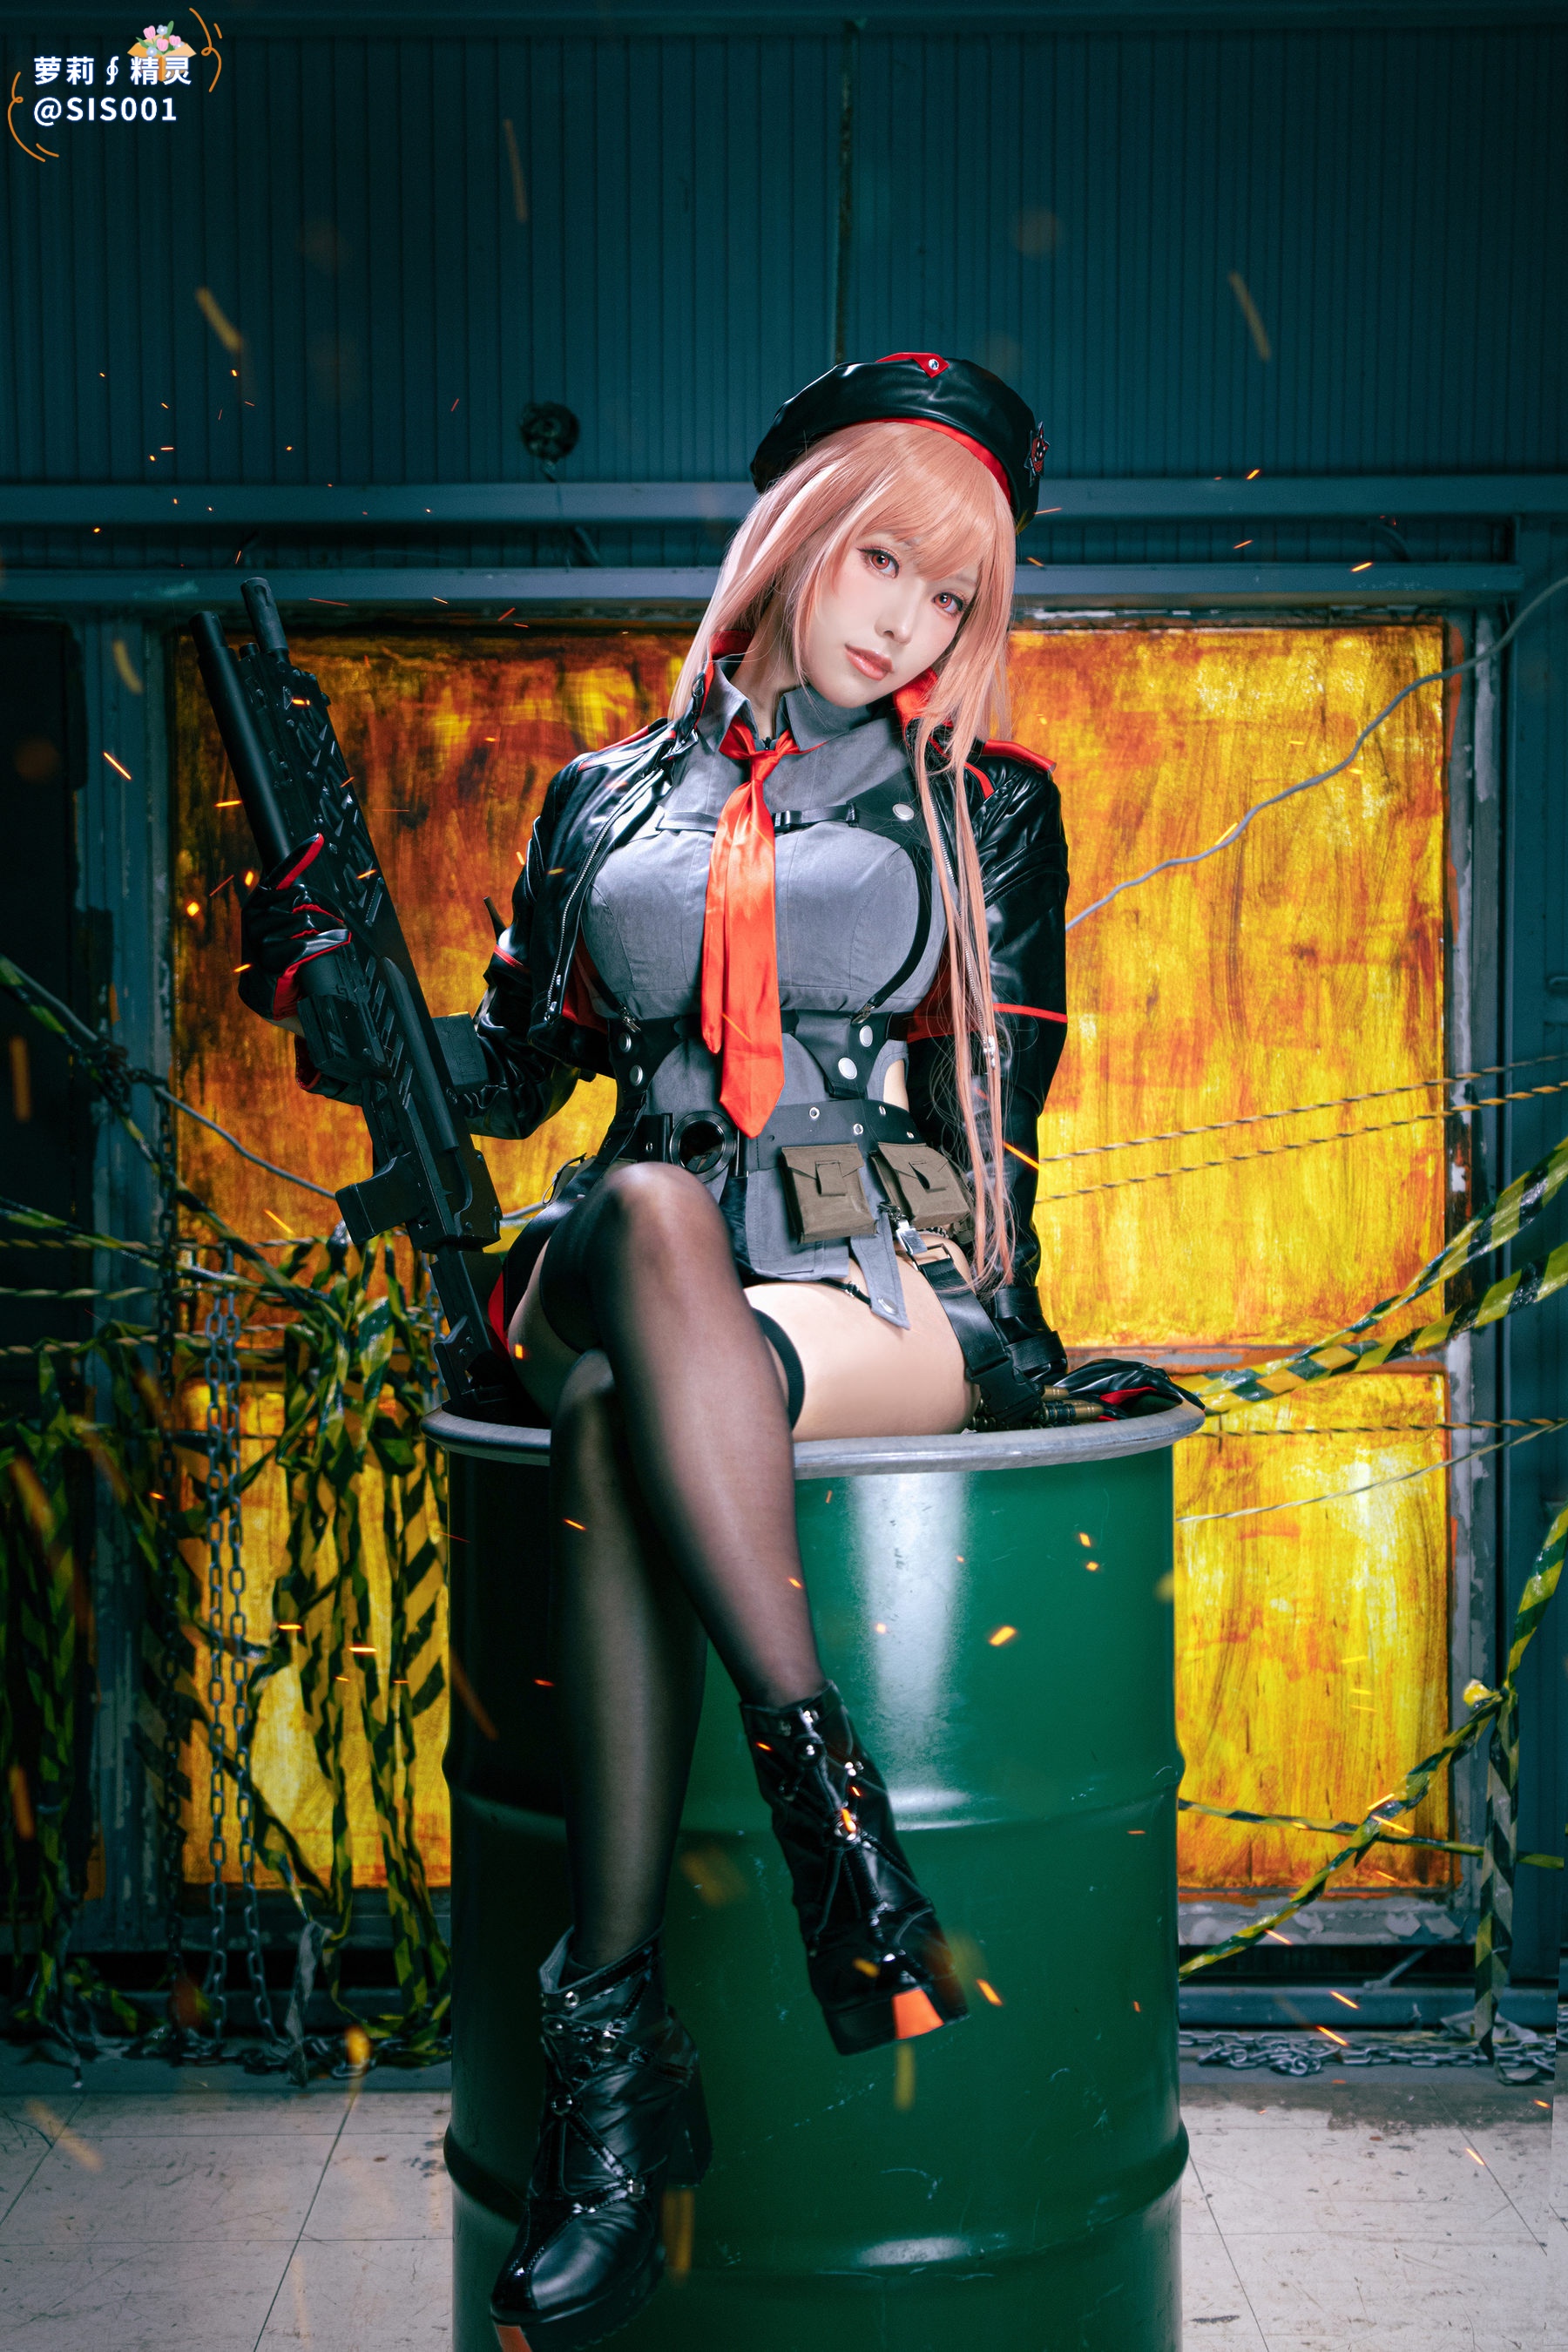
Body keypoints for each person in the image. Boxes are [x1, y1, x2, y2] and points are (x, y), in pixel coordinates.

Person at [239, 353, 1069, 2352]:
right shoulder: (599, 800)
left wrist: (990, 1315)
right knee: (644, 1219)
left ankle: (612, 2074)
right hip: (624, 1260)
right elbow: (513, 1080)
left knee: (624, 1400)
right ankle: (835, 1843)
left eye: (953, 594)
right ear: (795, 540)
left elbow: (996, 1138)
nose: (909, 623)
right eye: (881, 562)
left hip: (870, 1296)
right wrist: (341, 1011)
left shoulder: (990, 811)